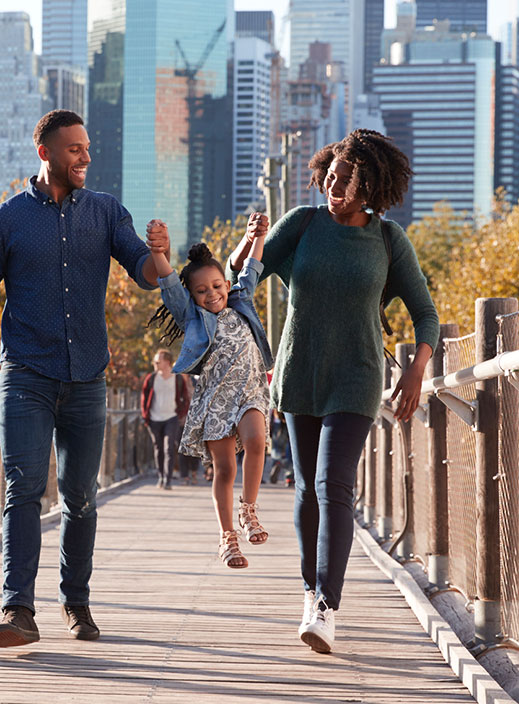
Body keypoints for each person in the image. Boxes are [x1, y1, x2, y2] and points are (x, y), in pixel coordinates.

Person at [0, 109, 170, 648]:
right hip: (25, 374)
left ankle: (76, 602)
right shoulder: (6, 220)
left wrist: (160, 255)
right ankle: (18, 610)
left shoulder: (106, 212)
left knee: (81, 496)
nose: (85, 157)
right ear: (46, 152)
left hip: (87, 379)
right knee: (22, 488)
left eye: (88, 148)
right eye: (74, 149)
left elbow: (143, 272)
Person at [240, 129, 438, 654]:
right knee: (306, 490)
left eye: (346, 180)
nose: (334, 185)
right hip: (299, 373)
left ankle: (327, 605)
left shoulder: (388, 240)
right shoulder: (301, 225)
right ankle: (310, 591)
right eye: (330, 175)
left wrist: (416, 371)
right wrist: (247, 243)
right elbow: (245, 280)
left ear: (369, 185)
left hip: (357, 375)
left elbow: (425, 314)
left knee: (334, 485)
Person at [146, 213, 273, 569]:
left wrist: (257, 235)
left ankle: (249, 511)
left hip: (248, 391)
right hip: (215, 399)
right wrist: (158, 250)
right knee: (224, 469)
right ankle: (227, 538)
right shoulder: (191, 316)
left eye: (217, 286)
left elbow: (253, 266)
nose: (212, 294)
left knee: (257, 441)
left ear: (226, 283)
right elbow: (169, 281)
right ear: (192, 296)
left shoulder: (240, 298)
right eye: (202, 291)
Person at [141, 349, 190, 490]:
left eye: (158, 361)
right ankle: (161, 476)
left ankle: (168, 480)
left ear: (167, 362)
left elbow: (185, 398)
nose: (155, 363)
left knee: (169, 448)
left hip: (171, 418)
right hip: (154, 419)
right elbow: (144, 399)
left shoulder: (178, 378)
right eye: (155, 361)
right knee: (158, 449)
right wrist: (146, 416)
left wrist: (180, 413)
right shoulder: (151, 379)